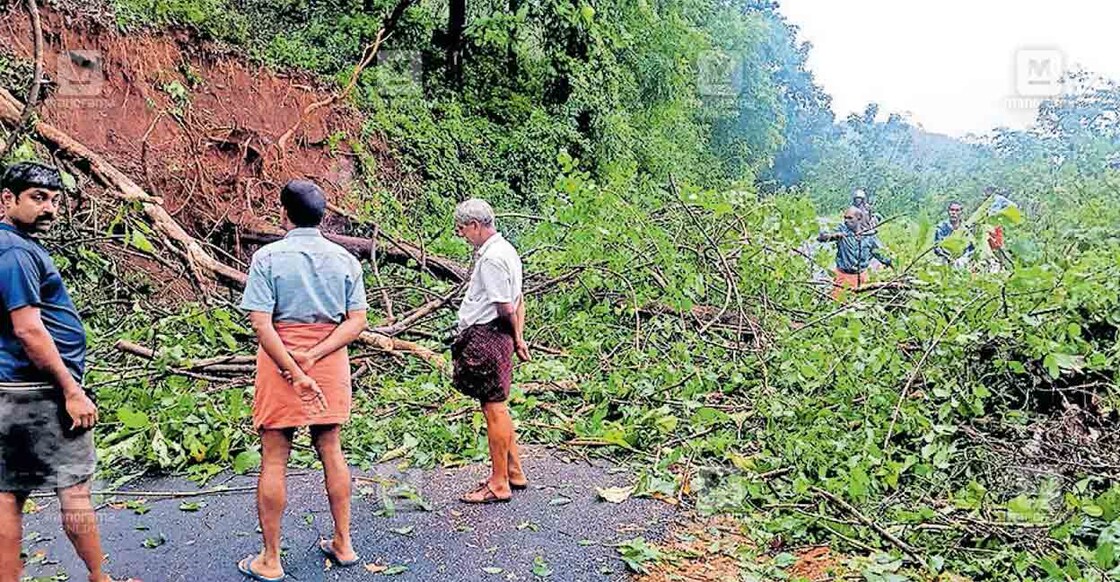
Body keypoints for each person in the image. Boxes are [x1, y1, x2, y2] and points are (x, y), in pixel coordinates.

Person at [0, 162, 136, 582]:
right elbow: (28, 328)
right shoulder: (17, 253)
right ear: (7, 199)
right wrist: (71, 388)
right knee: (73, 491)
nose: (50, 209)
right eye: (38, 198)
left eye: (55, 200)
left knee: (8, 495)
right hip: (39, 393)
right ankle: (100, 578)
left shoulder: (10, 245)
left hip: (9, 388)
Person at [237, 180, 369, 581]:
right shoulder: (346, 259)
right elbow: (357, 321)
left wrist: (295, 369)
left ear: (284, 213)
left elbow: (261, 322)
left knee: (275, 454)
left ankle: (271, 559)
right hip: (329, 360)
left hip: (281, 359)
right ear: (323, 215)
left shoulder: (268, 257)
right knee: (330, 447)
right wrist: (316, 355)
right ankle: (343, 543)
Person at [451, 199, 530, 504]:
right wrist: (517, 338)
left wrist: (517, 338)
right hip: (499, 336)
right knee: (498, 405)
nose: (461, 235)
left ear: (476, 225)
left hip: (489, 336)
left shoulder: (493, 259)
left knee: (493, 407)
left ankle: (498, 483)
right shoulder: (506, 250)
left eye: (462, 229)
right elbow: (520, 299)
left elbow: (506, 307)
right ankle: (514, 470)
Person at [818, 207, 893, 300]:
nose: (846, 221)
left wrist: (893, 265)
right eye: (845, 218)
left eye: (850, 218)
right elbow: (822, 237)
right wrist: (833, 236)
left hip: (861, 277)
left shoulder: (869, 236)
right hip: (843, 276)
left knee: (861, 303)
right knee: (839, 304)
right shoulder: (841, 230)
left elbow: (881, 255)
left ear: (859, 219)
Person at [933, 201, 974, 265]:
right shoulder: (941, 227)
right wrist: (948, 257)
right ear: (948, 211)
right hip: (945, 258)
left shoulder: (966, 229)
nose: (954, 213)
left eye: (957, 210)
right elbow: (937, 247)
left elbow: (971, 249)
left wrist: (963, 258)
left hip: (962, 260)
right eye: (952, 210)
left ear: (961, 212)